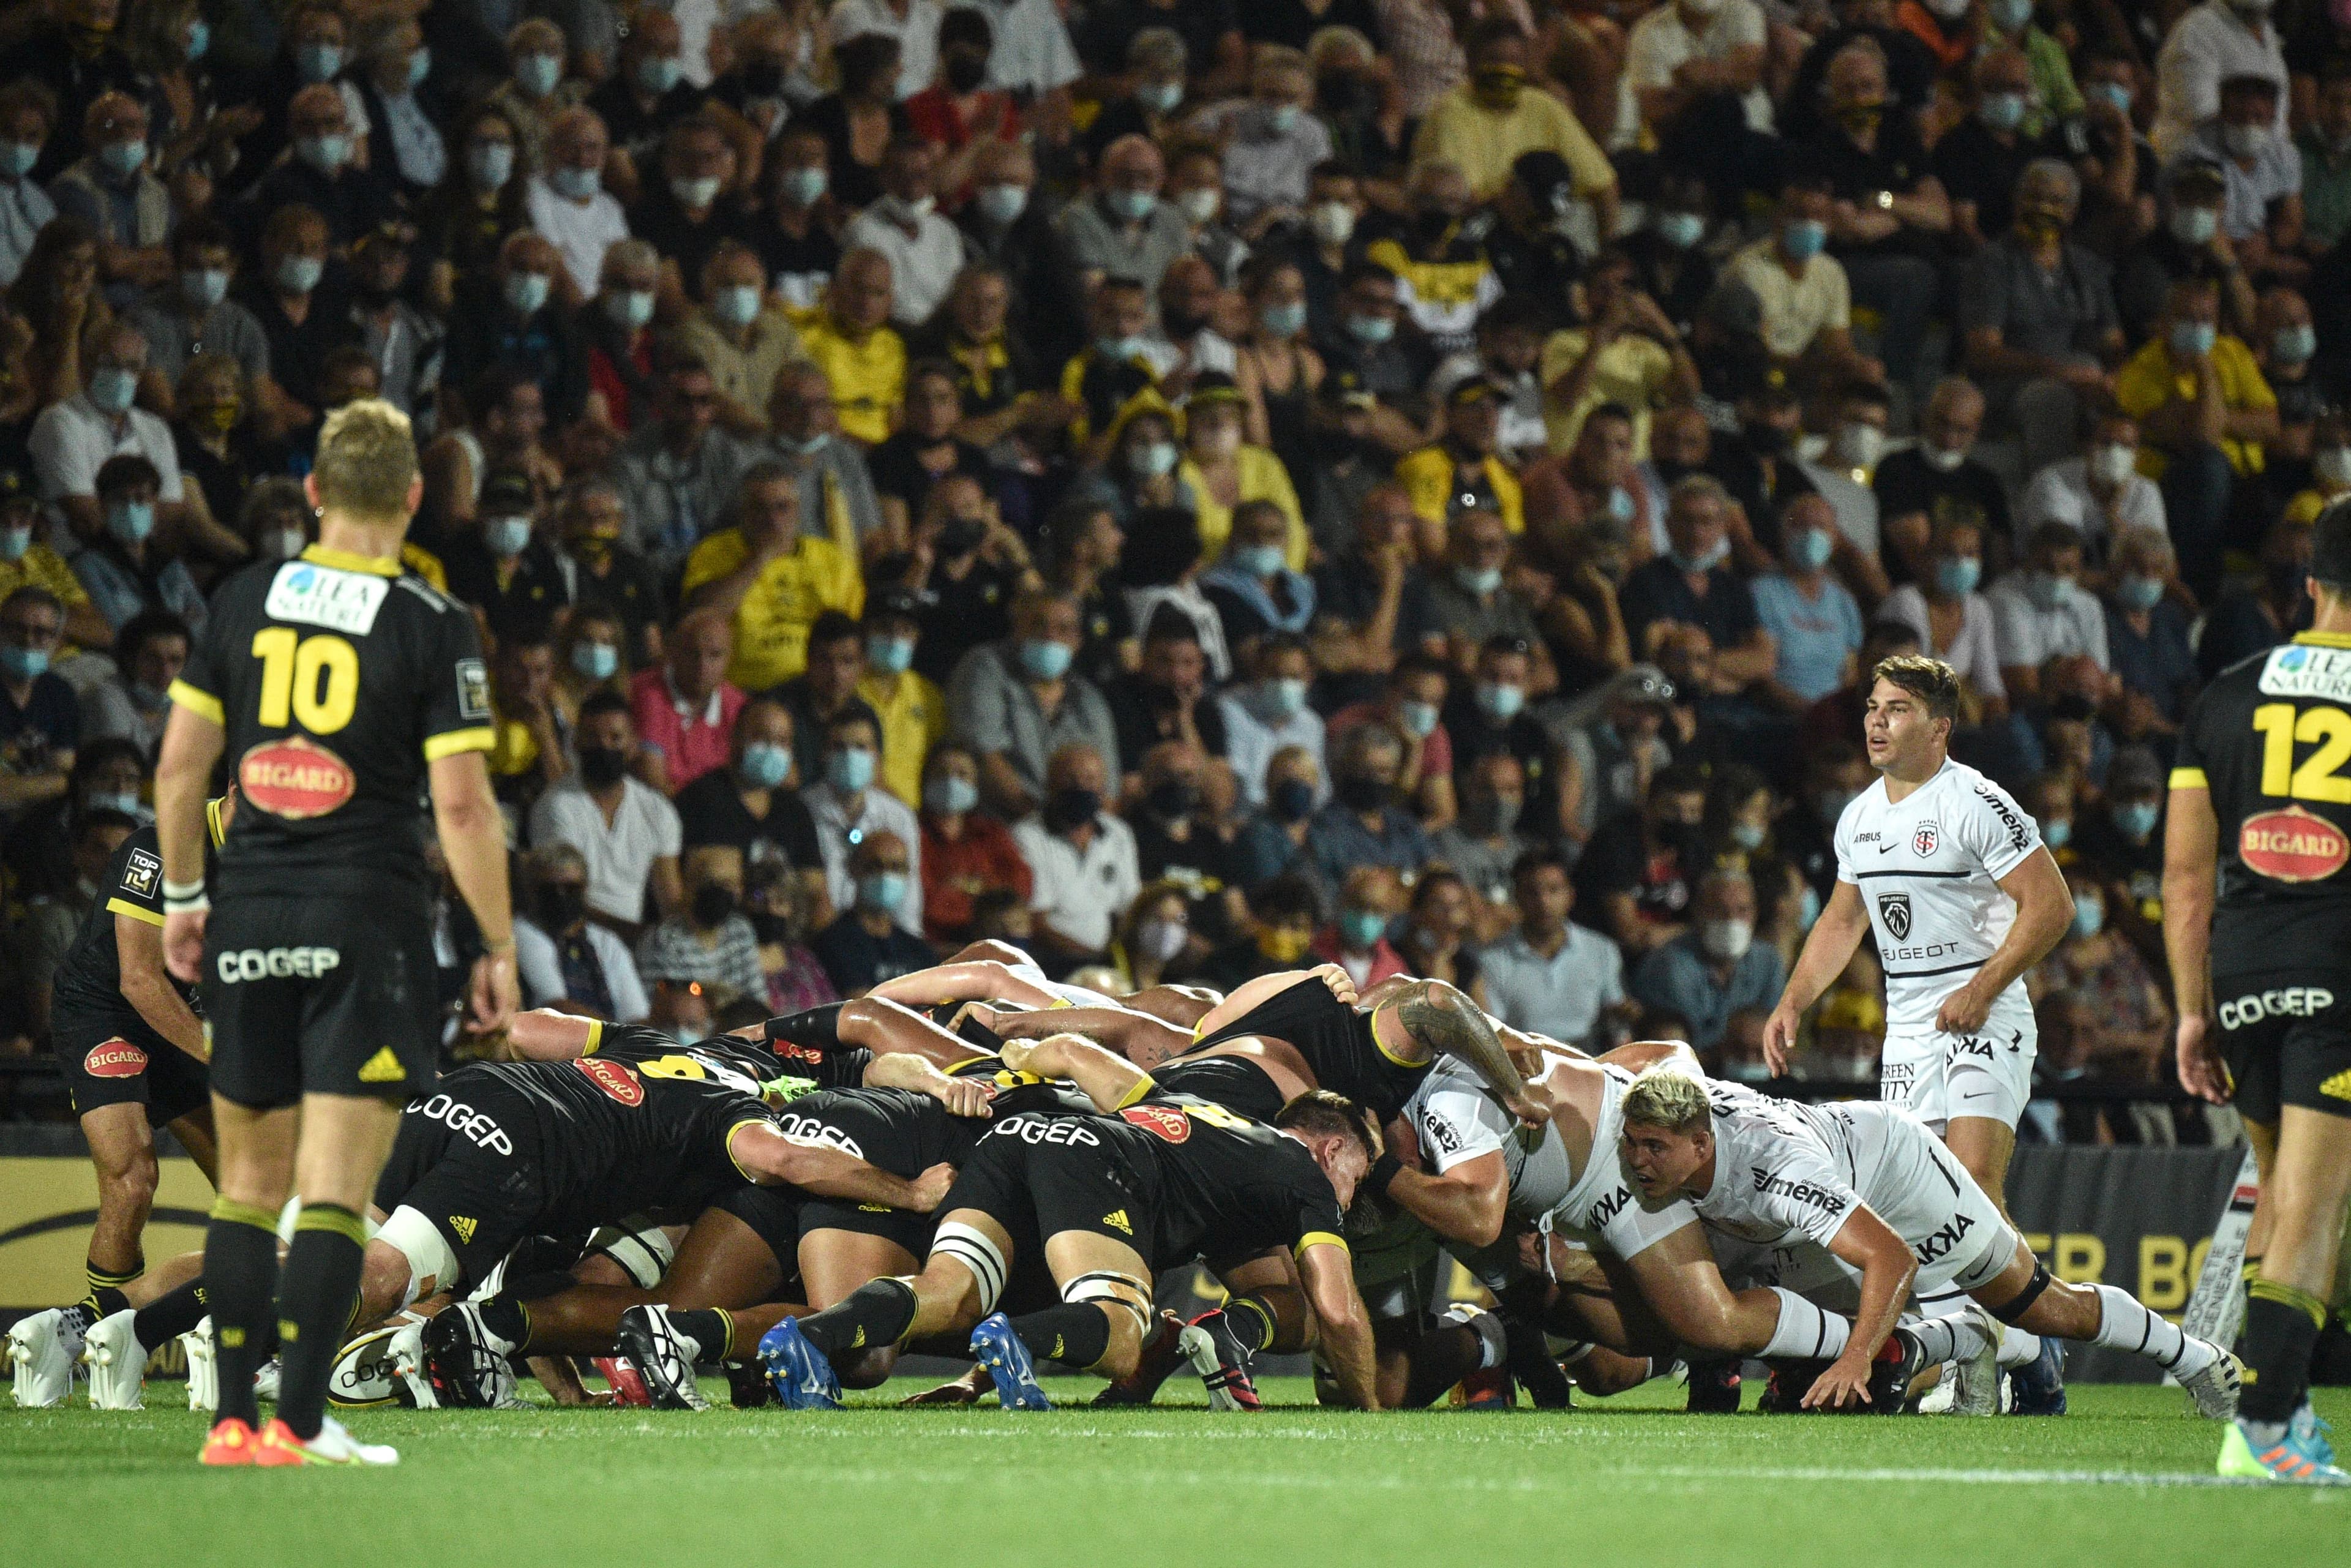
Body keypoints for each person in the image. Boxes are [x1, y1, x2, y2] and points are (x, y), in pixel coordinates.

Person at [152, 400, 516, 1466]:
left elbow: (178, 768)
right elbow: (462, 806)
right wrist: (496, 945)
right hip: (367, 920)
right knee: (333, 1191)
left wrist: (186, 899)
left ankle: (231, 1423)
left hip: (251, 910)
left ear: (313, 492)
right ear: (413, 497)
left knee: (246, 1185)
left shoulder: (243, 597)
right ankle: (301, 1424)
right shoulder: (431, 617)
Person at [1618, 1064, 2240, 1416]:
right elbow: (1651, 1055)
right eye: (1631, 1143)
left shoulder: (1778, 1172)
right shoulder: (1670, 1120)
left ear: (1700, 1143)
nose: (1637, 1160)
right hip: (1806, 1212)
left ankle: (2195, 1358)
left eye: (1654, 1147)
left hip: (1899, 1174)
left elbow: (1892, 1256)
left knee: (2043, 1305)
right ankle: (1972, 1341)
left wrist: (1857, 1357)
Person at [2165, 500, 2351, 1482]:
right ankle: (2266, 1427)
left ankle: (2287, 1409)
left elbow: (2184, 878)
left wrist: (2192, 1009)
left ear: (2311, 585)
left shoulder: (2226, 694)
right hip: (2340, 966)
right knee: (2317, 1210)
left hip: (2242, 968)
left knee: (2282, 1194)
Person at [1762, 655, 2072, 1234]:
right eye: (1873, 708)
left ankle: (2029, 1300)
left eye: (1898, 710)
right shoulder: (1859, 817)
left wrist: (1982, 990)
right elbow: (1842, 920)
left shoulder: (1976, 802)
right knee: (1920, 1202)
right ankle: (2005, 1298)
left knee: (1973, 1182)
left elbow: (2052, 906)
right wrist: (1793, 1001)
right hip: (1907, 1028)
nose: (1877, 722)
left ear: (1938, 729)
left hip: (1985, 1014)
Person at [1, 789, 230, 1409]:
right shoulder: (159, 846)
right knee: (132, 1180)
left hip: (189, 1015)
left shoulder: (278, 862)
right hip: (106, 1010)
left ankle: (83, 1332)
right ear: (239, 789)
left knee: (257, 1196)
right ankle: (108, 1346)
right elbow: (139, 978)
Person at [680, 460, 865, 692]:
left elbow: (850, 638)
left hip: (816, 691)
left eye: (782, 507)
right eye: (760, 508)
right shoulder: (713, 551)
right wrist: (761, 558)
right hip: (740, 690)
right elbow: (702, 617)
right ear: (743, 511)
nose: (772, 519)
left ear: (797, 510)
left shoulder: (833, 560)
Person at [527, 691, 685, 937]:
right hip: (570, 937)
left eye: (615, 738)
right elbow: (565, 900)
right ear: (576, 743)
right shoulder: (557, 805)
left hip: (635, 943)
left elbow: (671, 901)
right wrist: (639, 936)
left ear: (633, 744)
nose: (604, 746)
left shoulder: (657, 810)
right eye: (592, 737)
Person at [1477, 846, 1626, 1049]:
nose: (1543, 902)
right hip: (1524, 1056)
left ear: (1570, 896)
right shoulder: (1493, 959)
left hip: (1589, 1056)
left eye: (1553, 890)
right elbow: (1495, 1031)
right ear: (1517, 897)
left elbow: (1617, 1018)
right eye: (1532, 893)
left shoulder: (1601, 950)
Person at [1011, 743, 1140, 969]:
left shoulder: (1118, 834)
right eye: (1070, 779)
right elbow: (1035, 922)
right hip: (1050, 963)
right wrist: (1094, 961)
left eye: (1090, 780)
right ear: (1050, 784)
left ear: (1104, 788)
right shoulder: (1028, 835)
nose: (1080, 787)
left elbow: (1130, 911)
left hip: (1107, 963)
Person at [1631, 868, 1785, 1053]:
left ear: (1755, 913)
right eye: (1720, 910)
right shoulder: (1667, 966)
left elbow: (1772, 1035)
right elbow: (1682, 1047)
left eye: (1742, 910)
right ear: (1699, 912)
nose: (1732, 920)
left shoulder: (1768, 963)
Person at [511, 841, 650, 1022]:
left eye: (571, 889)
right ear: (532, 891)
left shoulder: (606, 941)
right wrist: (615, 1034)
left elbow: (636, 1013)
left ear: (585, 889)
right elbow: (557, 1006)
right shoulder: (523, 931)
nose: (561, 896)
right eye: (550, 890)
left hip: (610, 1035)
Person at [917, 740, 1030, 945]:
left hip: (997, 941)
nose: (951, 781)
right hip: (937, 945)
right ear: (926, 780)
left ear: (977, 784)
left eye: (962, 774)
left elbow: (1021, 886)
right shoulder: (913, 832)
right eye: (941, 773)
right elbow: (928, 904)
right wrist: (985, 898)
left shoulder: (992, 832)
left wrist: (959, 888)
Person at [628, 607, 743, 795]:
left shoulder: (740, 708)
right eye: (693, 653)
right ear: (673, 652)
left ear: (729, 658)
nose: (702, 666)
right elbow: (653, 778)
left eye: (715, 655)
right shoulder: (643, 692)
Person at [811, 828, 935, 994]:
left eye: (896, 867)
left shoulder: (918, 950)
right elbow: (860, 1001)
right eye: (875, 866)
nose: (886, 875)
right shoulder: (832, 943)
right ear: (854, 868)